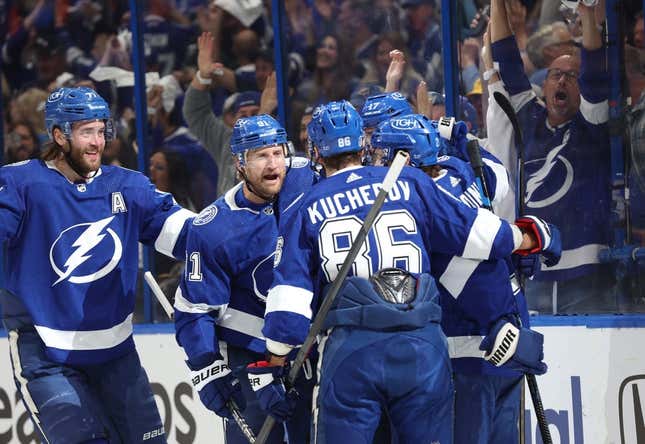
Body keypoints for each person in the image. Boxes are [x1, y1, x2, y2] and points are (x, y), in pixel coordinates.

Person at [260, 100, 556, 443]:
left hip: (352, 351)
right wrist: (530, 237)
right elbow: (483, 234)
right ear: (363, 144)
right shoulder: (409, 182)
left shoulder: (306, 207)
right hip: (421, 345)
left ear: (314, 152)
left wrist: (275, 363)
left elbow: (288, 308)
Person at [0, 86, 195, 443]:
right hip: (44, 350)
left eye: (101, 130)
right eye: (85, 131)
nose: (97, 141)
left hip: (116, 353)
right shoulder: (20, 184)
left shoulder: (128, 187)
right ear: (59, 135)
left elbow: (190, 235)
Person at [371, 113, 558, 443]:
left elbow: (465, 272)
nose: (373, 163)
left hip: (473, 349)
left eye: (378, 154)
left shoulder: (415, 206)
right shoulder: (460, 171)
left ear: (401, 160)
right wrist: (461, 136)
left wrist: (499, 318)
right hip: (510, 336)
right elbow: (497, 180)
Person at [173, 114, 317, 444]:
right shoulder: (214, 228)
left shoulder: (306, 181)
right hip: (251, 358)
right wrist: (206, 365)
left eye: (277, 153)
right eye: (261, 155)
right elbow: (194, 310)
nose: (273, 164)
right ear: (239, 163)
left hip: (311, 351)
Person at [489, 0, 613, 313]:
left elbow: (596, 75)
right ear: (543, 84)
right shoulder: (529, 119)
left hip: (586, 274)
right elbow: (506, 59)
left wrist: (586, 12)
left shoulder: (591, 127)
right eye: (556, 74)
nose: (562, 81)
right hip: (534, 271)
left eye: (572, 76)